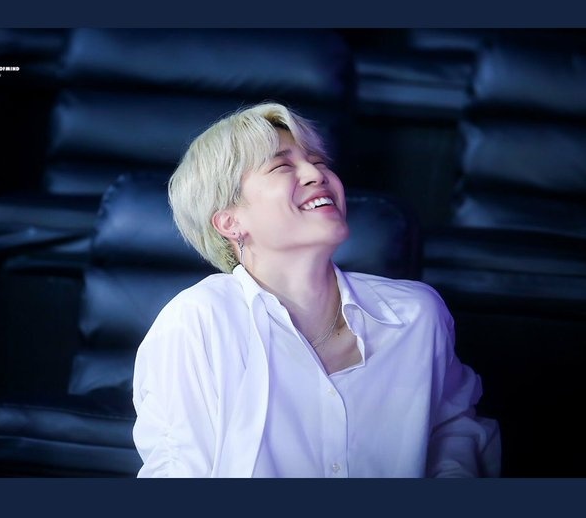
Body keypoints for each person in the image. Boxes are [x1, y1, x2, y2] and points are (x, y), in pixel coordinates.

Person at [132, 102, 501, 478]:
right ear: (230, 222)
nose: (316, 174)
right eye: (281, 166)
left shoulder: (417, 315)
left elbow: (454, 434)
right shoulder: (197, 323)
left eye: (319, 161)